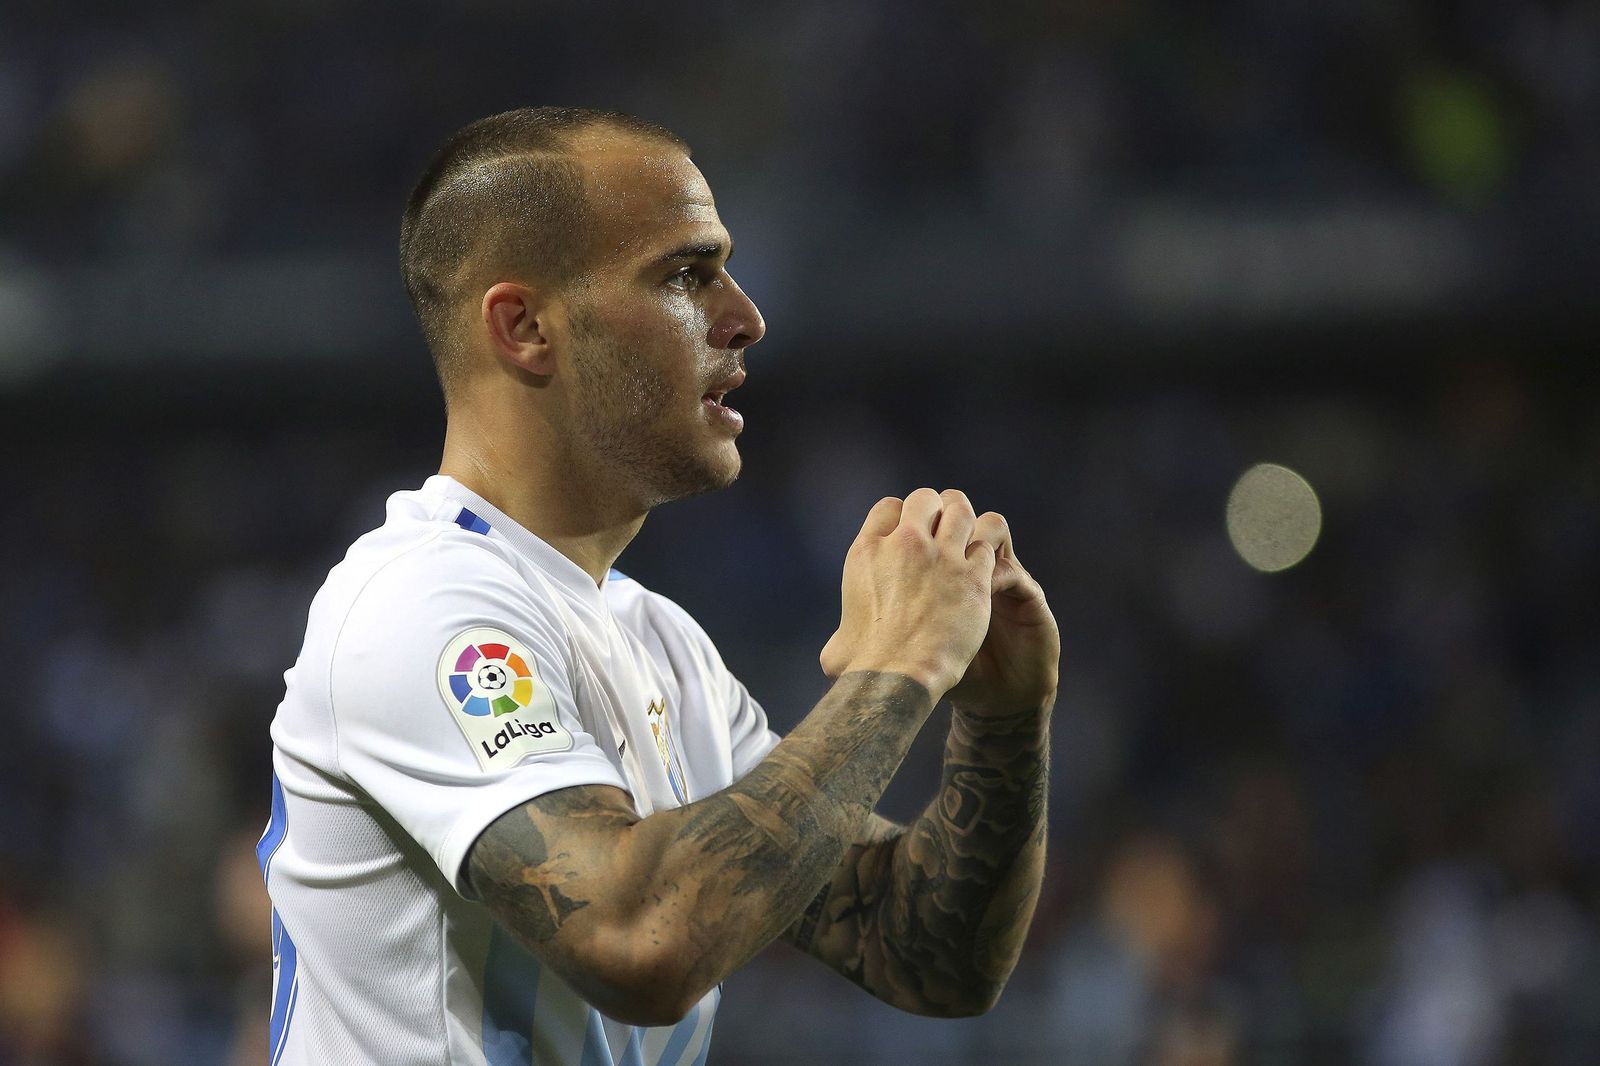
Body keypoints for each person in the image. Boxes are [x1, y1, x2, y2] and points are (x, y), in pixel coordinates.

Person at [259, 105, 1058, 1066]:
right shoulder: (420, 606)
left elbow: (926, 952)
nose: (745, 317)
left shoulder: (661, 642)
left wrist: (1004, 718)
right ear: (524, 327)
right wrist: (902, 663)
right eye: (686, 274)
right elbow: (638, 941)